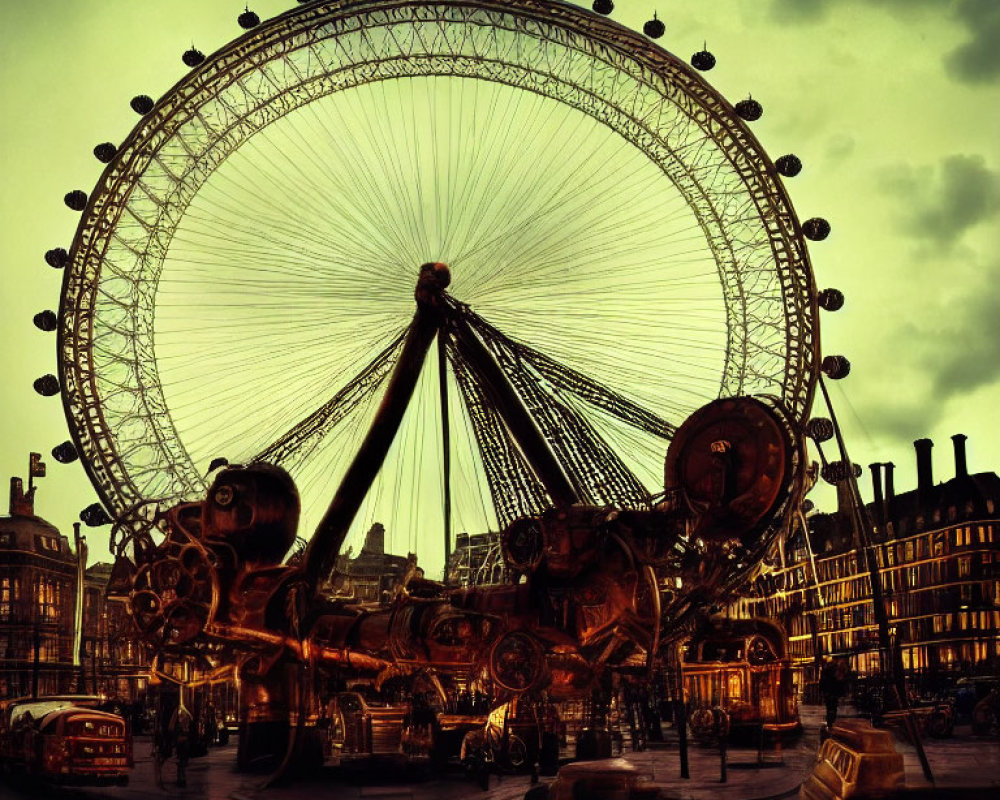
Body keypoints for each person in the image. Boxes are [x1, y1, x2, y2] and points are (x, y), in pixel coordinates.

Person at [169, 705, 194, 787]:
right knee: (182, 760)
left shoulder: (179, 711)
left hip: (181, 740)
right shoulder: (185, 712)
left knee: (181, 760)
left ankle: (181, 778)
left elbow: (171, 727)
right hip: (184, 739)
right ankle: (182, 778)